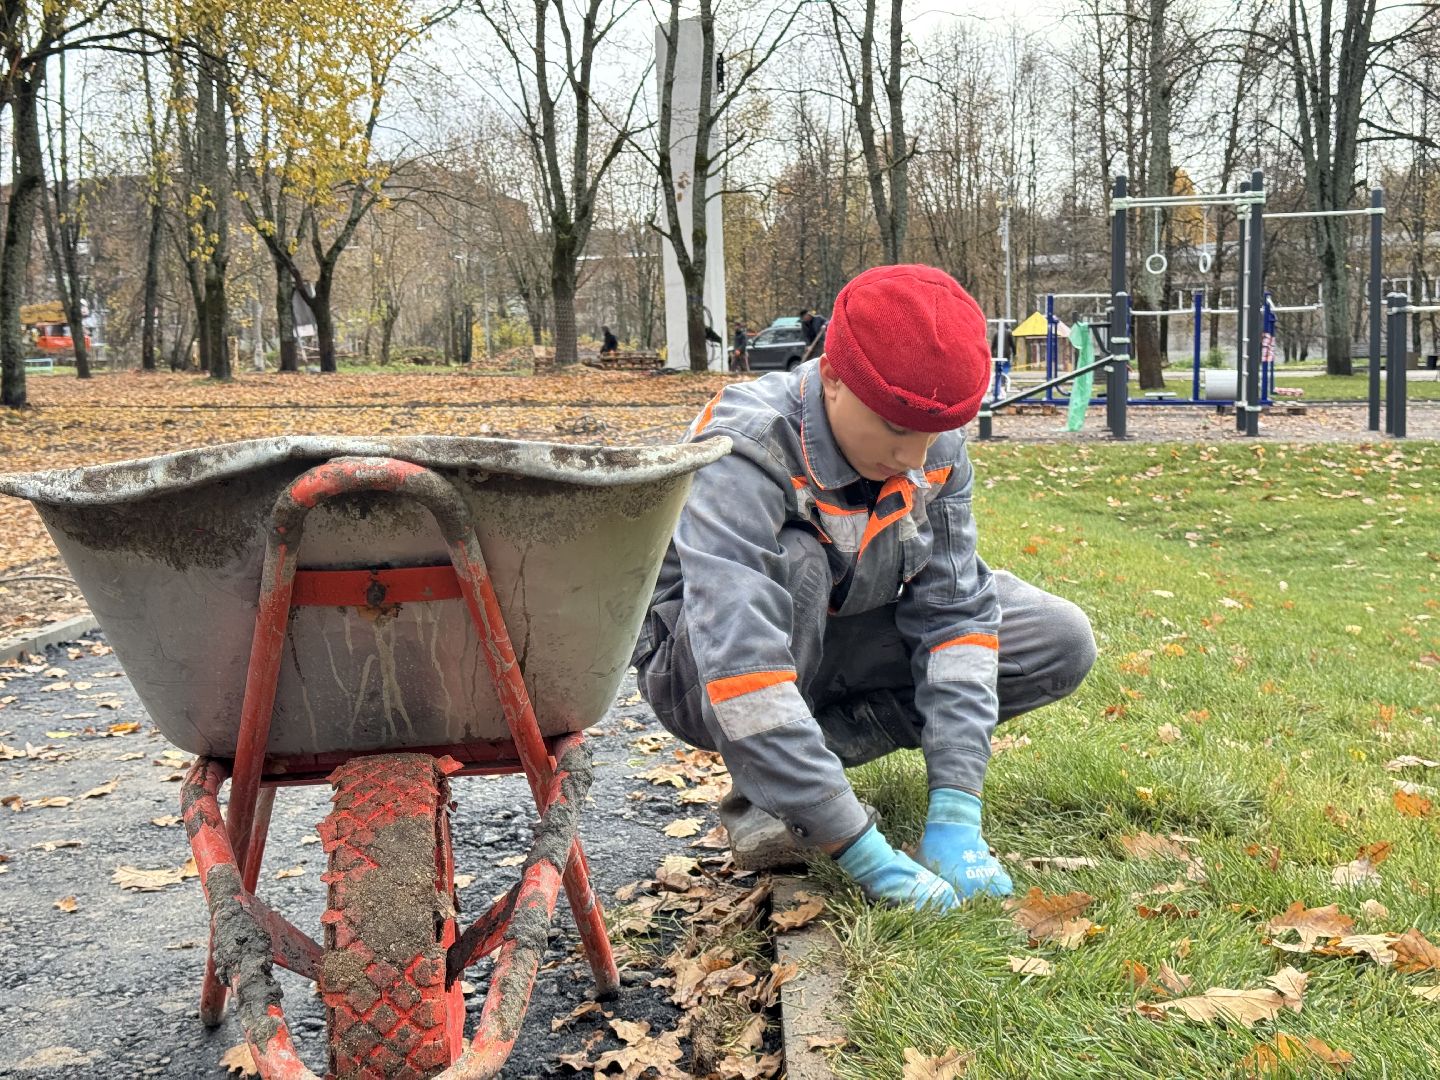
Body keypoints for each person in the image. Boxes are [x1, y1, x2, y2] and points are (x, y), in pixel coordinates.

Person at [631, 265, 1096, 912]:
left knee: (1058, 639)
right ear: (832, 376)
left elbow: (956, 617)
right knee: (799, 560)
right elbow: (740, 668)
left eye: (933, 433)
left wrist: (957, 812)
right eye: (896, 429)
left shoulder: (932, 444)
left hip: (838, 629)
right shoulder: (746, 447)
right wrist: (864, 853)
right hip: (704, 668)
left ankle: (800, 769)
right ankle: (778, 795)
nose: (916, 457)